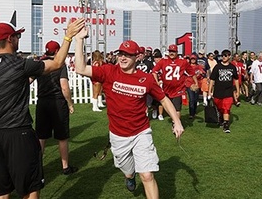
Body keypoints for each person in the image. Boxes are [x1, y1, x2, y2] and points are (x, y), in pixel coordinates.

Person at [0, 19, 85, 199]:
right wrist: (68, 36)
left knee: (2, 192)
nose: (18, 39)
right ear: (10, 39)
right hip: (19, 133)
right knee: (30, 191)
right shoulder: (21, 64)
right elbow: (57, 63)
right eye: (17, 36)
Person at [74, 34, 184, 199]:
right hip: (118, 135)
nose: (122, 58)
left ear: (136, 56)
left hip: (141, 132)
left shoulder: (146, 79)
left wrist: (177, 122)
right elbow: (80, 69)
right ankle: (129, 176)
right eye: (120, 54)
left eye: (127, 54)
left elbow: (163, 99)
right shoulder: (108, 71)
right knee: (128, 171)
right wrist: (79, 40)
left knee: (147, 175)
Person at [35, 40, 78, 176]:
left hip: (42, 102)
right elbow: (64, 87)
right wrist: (70, 104)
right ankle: (65, 167)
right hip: (57, 102)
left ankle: (38, 167)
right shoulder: (59, 65)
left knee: (41, 136)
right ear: (56, 51)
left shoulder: (40, 64)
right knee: (62, 137)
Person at [152, 44, 198, 121]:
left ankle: (176, 123)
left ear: (177, 52)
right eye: (170, 51)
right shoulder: (163, 61)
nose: (171, 53)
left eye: (173, 51)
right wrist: (156, 82)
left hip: (178, 89)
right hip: (166, 89)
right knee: (166, 106)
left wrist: (196, 83)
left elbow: (192, 72)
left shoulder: (182, 62)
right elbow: (154, 71)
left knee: (177, 109)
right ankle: (167, 117)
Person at [208, 49, 240, 133]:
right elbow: (212, 79)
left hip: (228, 92)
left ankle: (226, 126)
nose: (224, 57)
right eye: (222, 55)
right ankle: (221, 117)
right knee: (220, 108)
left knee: (226, 108)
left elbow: (236, 79)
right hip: (218, 92)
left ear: (229, 56)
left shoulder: (232, 67)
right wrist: (209, 91)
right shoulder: (217, 67)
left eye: (225, 55)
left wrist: (238, 90)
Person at [185, 53, 205, 119]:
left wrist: (201, 73)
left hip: (197, 84)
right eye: (192, 59)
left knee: (195, 99)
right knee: (191, 99)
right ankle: (191, 114)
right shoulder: (188, 66)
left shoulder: (198, 66)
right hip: (189, 84)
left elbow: (203, 73)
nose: (193, 60)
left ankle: (194, 111)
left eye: (194, 59)